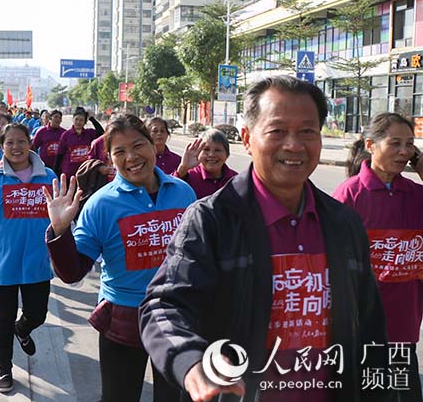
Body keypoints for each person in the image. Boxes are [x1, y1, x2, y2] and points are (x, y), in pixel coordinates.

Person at [140, 75, 390, 402]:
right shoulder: (211, 220)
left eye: (307, 131)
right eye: (277, 131)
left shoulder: (344, 223)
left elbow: (370, 325)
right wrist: (191, 361)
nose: (294, 145)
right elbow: (163, 305)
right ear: (247, 138)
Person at [45, 114, 196, 401]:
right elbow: (72, 272)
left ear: (154, 145)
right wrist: (60, 231)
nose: (132, 157)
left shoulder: (183, 193)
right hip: (125, 317)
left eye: (138, 145)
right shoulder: (101, 205)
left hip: (178, 314)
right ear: (109, 159)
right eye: (120, 152)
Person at [334, 112, 423, 402]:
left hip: (405, 322)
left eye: (410, 144)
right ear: (371, 144)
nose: (403, 151)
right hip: (363, 326)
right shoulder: (350, 195)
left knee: (405, 394)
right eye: (395, 143)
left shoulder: (415, 195)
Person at [0, 122, 58, 393]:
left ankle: (24, 329)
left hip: (38, 259)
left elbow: (58, 215)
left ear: (30, 143)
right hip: (4, 259)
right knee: (2, 318)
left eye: (21, 141)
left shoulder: (47, 176)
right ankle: (5, 369)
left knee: (37, 314)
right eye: (9, 142)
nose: (16, 147)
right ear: (1, 146)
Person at [173, 128, 237, 199]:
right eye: (206, 149)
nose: (211, 154)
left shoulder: (236, 180)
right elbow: (169, 193)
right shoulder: (189, 177)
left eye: (217, 150)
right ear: (198, 153)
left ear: (227, 154)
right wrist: (183, 168)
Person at [54, 107, 102, 178]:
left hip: (84, 173)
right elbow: (60, 154)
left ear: (85, 122)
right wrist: (56, 171)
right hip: (69, 173)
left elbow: (101, 132)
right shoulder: (66, 135)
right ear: (73, 119)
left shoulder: (89, 133)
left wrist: (92, 118)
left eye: (81, 120)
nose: (78, 122)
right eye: (76, 119)